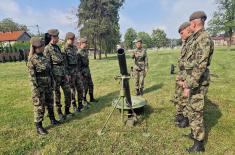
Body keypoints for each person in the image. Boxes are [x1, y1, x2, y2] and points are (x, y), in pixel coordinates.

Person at [181, 11, 214, 152]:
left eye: (190, 24)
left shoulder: (203, 39)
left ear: (194, 23)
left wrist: (189, 84)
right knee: (192, 109)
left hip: (198, 82)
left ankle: (199, 144)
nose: (190, 26)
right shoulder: (197, 38)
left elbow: (200, 66)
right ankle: (195, 133)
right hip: (194, 80)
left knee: (196, 111)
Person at [28, 37, 59, 135]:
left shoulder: (44, 57)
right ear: (36, 47)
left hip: (48, 85)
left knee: (50, 102)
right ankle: (39, 126)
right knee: (39, 106)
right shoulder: (32, 60)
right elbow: (32, 78)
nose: (43, 47)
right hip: (39, 87)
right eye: (41, 46)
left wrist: (52, 82)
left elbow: (49, 71)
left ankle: (52, 119)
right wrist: (36, 90)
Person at [44, 29, 72, 121]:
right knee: (57, 95)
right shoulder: (47, 48)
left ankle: (67, 111)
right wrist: (52, 78)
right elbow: (47, 65)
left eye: (58, 36)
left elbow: (62, 62)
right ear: (52, 37)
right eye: (56, 36)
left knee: (68, 92)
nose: (58, 38)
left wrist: (66, 74)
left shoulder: (57, 47)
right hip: (55, 76)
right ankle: (59, 112)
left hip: (63, 74)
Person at [172, 22, 193, 128]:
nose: (181, 36)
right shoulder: (186, 43)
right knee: (179, 96)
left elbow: (193, 64)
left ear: (188, 29)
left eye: (182, 33)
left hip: (189, 76)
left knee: (187, 98)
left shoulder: (193, 42)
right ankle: (181, 115)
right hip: (182, 74)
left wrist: (187, 81)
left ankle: (186, 118)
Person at [63, 32, 84, 112]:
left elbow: (78, 61)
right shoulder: (64, 49)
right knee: (72, 90)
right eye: (71, 39)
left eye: (73, 39)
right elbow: (64, 63)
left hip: (77, 71)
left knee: (80, 88)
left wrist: (80, 71)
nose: (72, 41)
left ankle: (80, 104)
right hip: (70, 72)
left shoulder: (75, 48)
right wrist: (67, 74)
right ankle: (74, 105)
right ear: (67, 39)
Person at [78, 38, 98, 103]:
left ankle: (91, 98)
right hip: (83, 72)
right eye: (85, 43)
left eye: (86, 43)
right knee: (85, 87)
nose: (86, 44)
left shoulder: (85, 51)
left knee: (91, 84)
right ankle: (84, 100)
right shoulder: (79, 53)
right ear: (81, 43)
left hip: (87, 70)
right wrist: (80, 74)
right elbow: (78, 66)